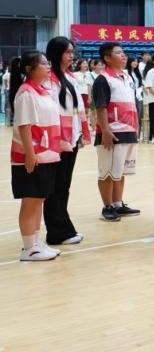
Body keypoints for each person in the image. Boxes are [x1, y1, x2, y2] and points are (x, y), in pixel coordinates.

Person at [11, 51, 63, 261]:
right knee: (31, 200)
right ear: (29, 69)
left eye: (48, 62)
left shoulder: (42, 91)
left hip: (47, 154)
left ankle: (35, 242)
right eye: (43, 63)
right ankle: (28, 248)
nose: (48, 66)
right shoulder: (26, 93)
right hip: (32, 155)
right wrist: (30, 155)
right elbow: (24, 125)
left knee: (39, 199)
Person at [44, 37, 88, 247]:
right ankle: (57, 231)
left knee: (63, 186)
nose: (72, 56)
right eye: (67, 52)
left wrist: (79, 134)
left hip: (71, 138)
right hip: (57, 141)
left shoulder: (69, 76)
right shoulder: (49, 79)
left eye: (72, 52)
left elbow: (76, 109)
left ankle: (62, 229)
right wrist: (60, 138)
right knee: (56, 187)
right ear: (56, 54)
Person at [92, 42, 141, 222]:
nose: (124, 55)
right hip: (112, 132)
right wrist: (105, 130)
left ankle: (118, 204)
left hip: (128, 131)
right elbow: (101, 107)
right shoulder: (103, 79)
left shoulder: (127, 77)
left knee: (120, 172)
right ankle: (107, 207)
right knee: (107, 172)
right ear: (107, 58)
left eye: (123, 52)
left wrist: (136, 127)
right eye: (118, 52)